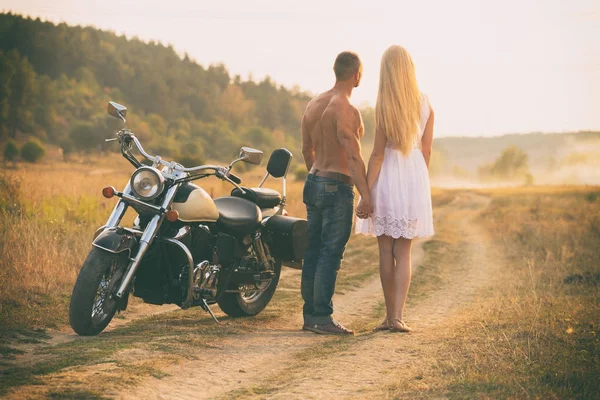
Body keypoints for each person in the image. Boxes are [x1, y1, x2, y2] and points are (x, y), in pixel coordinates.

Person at [355, 45, 435, 333]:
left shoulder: (385, 104)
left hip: (387, 177)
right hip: (413, 177)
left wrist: (366, 191)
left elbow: (377, 155)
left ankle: (389, 317)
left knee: (385, 250)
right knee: (405, 252)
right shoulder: (425, 103)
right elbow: (426, 153)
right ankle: (398, 317)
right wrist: (416, 184)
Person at [300, 51, 374, 335]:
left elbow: (307, 149)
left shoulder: (313, 104)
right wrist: (365, 195)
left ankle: (310, 316)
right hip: (336, 186)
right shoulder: (345, 109)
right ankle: (321, 317)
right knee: (330, 253)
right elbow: (354, 158)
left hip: (314, 179)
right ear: (357, 74)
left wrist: (316, 177)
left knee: (314, 250)